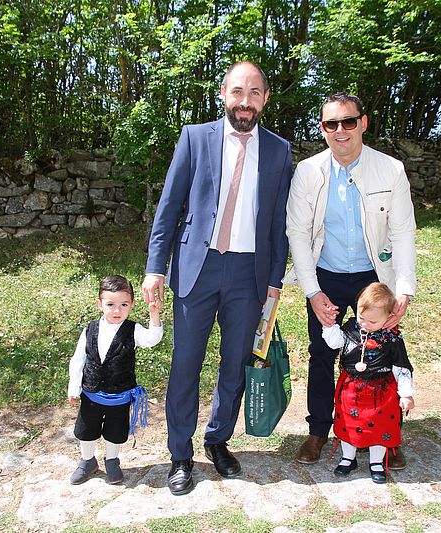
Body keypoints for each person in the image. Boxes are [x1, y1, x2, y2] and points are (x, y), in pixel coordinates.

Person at [141, 61, 292, 495]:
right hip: (197, 268)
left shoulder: (279, 150)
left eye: (254, 93)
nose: (245, 101)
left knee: (235, 364)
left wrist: (275, 280)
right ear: (224, 93)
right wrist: (155, 267)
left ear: (265, 99)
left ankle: (218, 440)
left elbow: (278, 223)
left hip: (249, 274)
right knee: (185, 364)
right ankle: (180, 454)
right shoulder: (194, 137)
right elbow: (169, 207)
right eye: (238, 91)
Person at [285, 92, 417, 466]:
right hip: (325, 276)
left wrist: (403, 289)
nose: (340, 130)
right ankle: (318, 430)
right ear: (322, 129)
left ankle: (386, 437)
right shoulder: (307, 171)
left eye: (348, 121)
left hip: (372, 278)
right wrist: (313, 292)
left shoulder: (391, 170)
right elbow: (297, 233)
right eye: (331, 124)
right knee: (321, 353)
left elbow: (403, 231)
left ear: (363, 123)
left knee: (381, 355)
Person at [67, 275, 162, 485]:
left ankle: (112, 461)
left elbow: (151, 339)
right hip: (91, 394)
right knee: (86, 430)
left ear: (132, 305)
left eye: (124, 305)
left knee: (115, 432)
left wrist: (154, 315)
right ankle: (87, 461)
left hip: (119, 396)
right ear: (99, 304)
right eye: (110, 305)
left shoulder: (133, 330)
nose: (117, 310)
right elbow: (78, 359)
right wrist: (74, 387)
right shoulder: (90, 329)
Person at [323, 282, 414, 483]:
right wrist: (329, 326)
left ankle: (376, 462)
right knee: (348, 424)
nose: (365, 324)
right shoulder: (350, 328)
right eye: (361, 317)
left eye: (372, 321)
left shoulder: (392, 338)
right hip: (351, 388)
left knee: (379, 428)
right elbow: (335, 343)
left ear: (389, 317)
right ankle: (348, 458)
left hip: (381, 392)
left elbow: (401, 366)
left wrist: (406, 394)